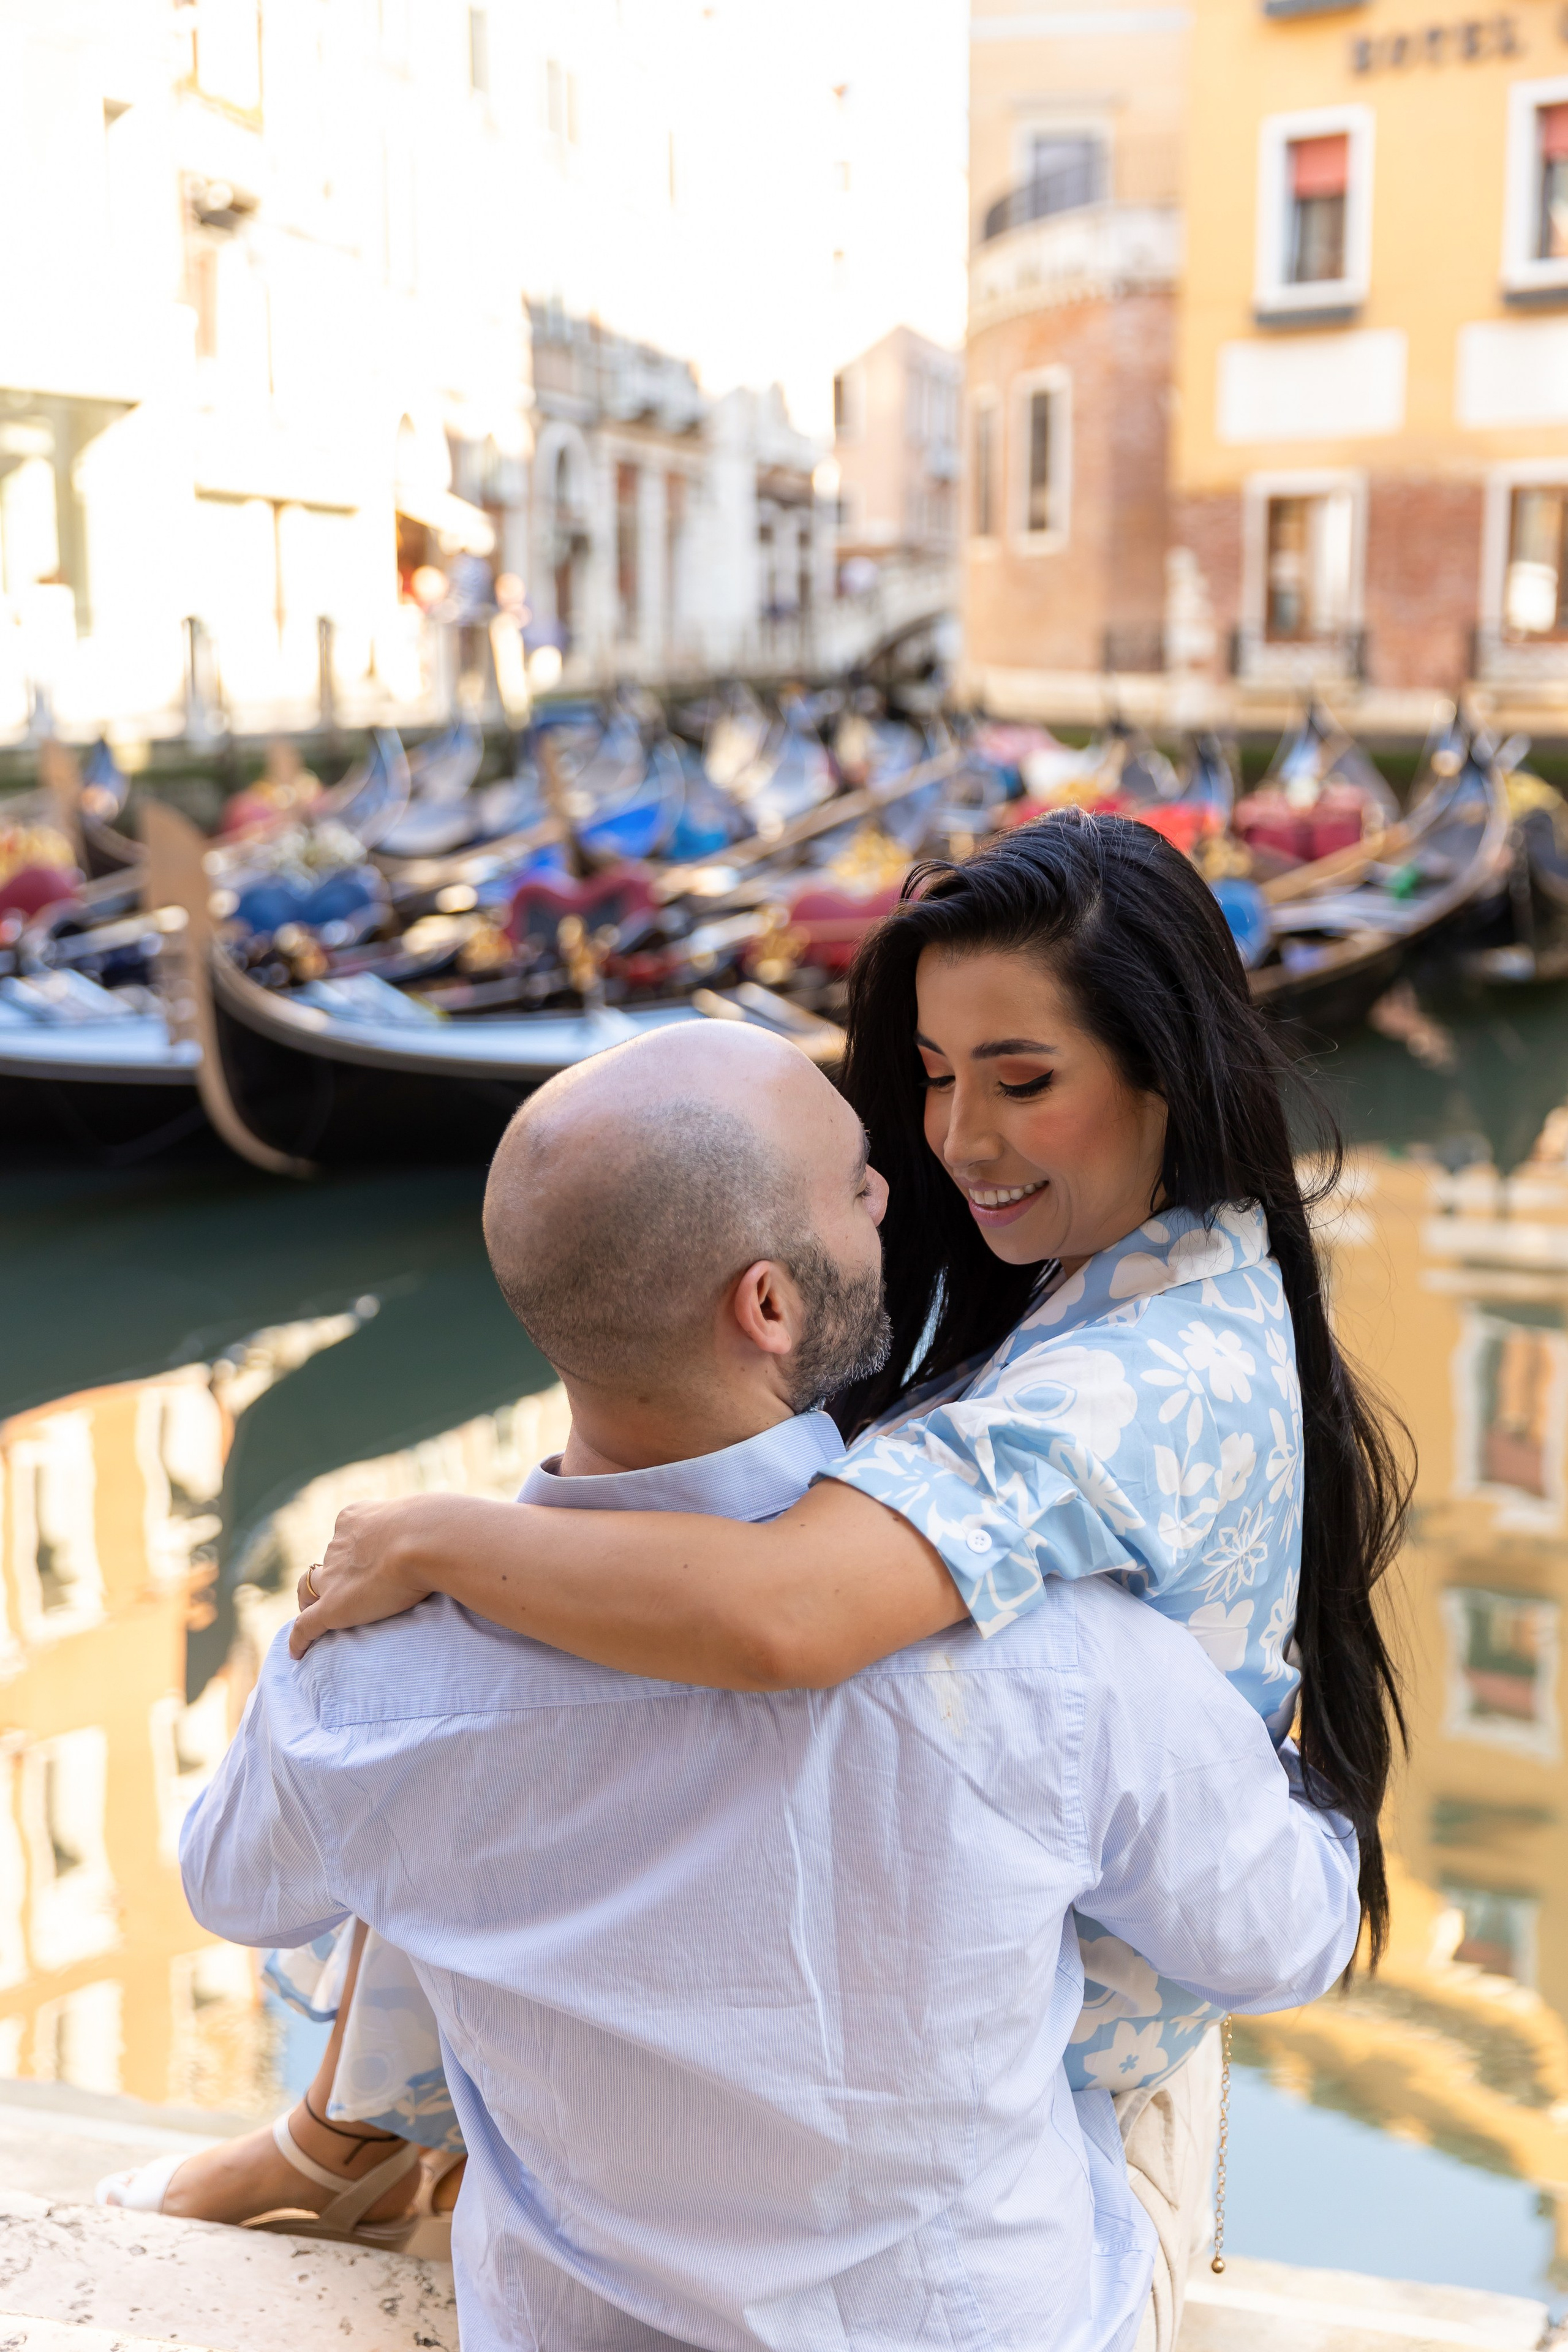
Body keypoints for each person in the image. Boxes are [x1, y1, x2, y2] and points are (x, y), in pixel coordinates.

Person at [178, 1018, 1362, 2352]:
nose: (892, 1190)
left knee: (418, 1844)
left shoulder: (358, 1668)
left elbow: (234, 1889)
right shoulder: (1072, 1654)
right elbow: (1282, 1948)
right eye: (856, 1180)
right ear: (768, 1304)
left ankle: (356, 2146)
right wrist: (1255, 1735)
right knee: (1162, 1986)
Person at [292, 809, 1409, 2080]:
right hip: (993, 1911)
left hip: (1036, 2027)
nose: (956, 1137)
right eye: (935, 1074)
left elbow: (785, 1616)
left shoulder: (1138, 1386)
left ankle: (348, 2134)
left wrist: (437, 1537)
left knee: (562, 1673)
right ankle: (352, 2128)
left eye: (1022, 1080)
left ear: (1163, 1068)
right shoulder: (1168, 1267)